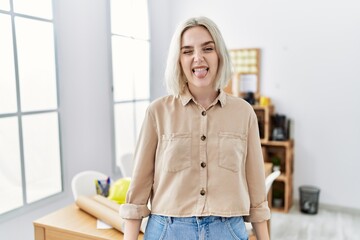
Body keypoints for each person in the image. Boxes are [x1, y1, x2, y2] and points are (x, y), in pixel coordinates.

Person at [119, 16, 270, 240]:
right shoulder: (157, 112)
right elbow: (138, 193)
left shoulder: (244, 113)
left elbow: (257, 193)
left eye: (207, 48)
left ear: (219, 55)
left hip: (227, 230)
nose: (198, 58)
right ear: (178, 60)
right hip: (168, 230)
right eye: (187, 51)